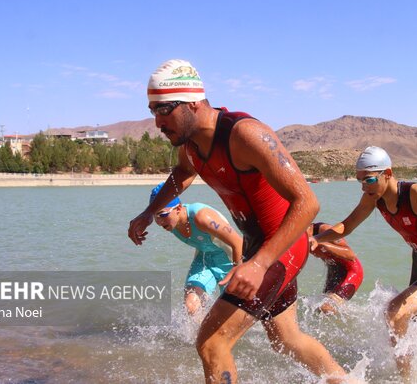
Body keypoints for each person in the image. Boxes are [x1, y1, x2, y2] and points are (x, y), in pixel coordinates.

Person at [128, 59, 347, 384]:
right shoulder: (189, 148)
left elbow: (307, 202)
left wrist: (258, 264)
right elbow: (181, 176)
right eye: (152, 111)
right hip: (261, 251)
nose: (157, 122)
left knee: (212, 342)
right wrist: (149, 213)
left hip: (281, 247)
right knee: (285, 340)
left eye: (163, 110)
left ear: (192, 102)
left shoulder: (244, 135)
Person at [310, 146, 417, 379]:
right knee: (412, 326)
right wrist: (316, 239)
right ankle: (415, 372)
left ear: (388, 172)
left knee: (393, 312)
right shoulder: (374, 198)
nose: (364, 187)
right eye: (360, 181)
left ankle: (406, 378)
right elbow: (347, 225)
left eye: (369, 180)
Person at [148, 182, 243, 318]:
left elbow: (238, 242)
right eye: (155, 216)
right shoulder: (171, 221)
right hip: (204, 258)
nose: (159, 222)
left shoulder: (202, 217)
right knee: (191, 307)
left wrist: (238, 273)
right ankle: (197, 337)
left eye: (162, 215)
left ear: (179, 208)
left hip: (229, 260)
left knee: (229, 316)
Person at [306, 222, 363, 315]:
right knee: (319, 311)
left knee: (326, 308)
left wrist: (322, 244)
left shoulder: (324, 230)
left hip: (351, 272)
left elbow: (351, 255)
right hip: (333, 271)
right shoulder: (297, 237)